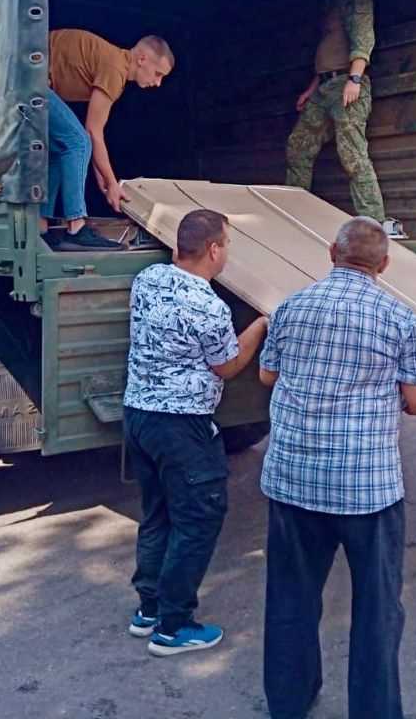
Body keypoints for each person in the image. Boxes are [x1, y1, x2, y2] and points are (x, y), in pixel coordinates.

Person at [258, 217, 416, 719]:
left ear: (331, 253)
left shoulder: (290, 307)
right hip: (366, 490)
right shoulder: (399, 318)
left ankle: (289, 703)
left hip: (293, 480)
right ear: (384, 264)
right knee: (377, 611)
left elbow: (268, 375)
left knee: (291, 600)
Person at [122, 209, 268, 656]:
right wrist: (261, 325)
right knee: (199, 517)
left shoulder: (147, 280)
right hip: (182, 427)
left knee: (158, 513)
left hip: (140, 416)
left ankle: (148, 609)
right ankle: (174, 626)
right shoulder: (208, 307)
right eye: (228, 244)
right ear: (214, 250)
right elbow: (227, 365)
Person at [43, 28, 174, 251]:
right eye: (158, 74)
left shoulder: (114, 63)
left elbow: (93, 137)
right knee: (77, 141)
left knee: (62, 148)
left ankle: (40, 226)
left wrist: (102, 178)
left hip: (25, 76)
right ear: (142, 59)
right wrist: (112, 184)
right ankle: (76, 225)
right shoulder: (115, 68)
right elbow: (92, 132)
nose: (158, 83)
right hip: (29, 77)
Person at [285, 0, 386, 224]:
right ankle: (294, 213)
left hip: (346, 83)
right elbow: (329, 53)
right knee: (298, 146)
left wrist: (354, 80)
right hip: (325, 85)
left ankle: (373, 221)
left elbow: (363, 39)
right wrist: (312, 88)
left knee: (353, 155)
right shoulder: (331, 2)